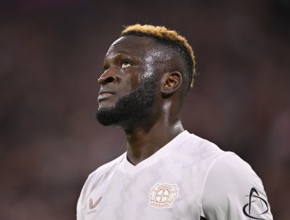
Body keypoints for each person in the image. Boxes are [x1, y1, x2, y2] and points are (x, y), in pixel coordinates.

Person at [76, 24, 273, 220]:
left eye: (125, 63)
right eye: (106, 67)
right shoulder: (95, 185)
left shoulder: (217, 170)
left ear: (169, 82)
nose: (104, 77)